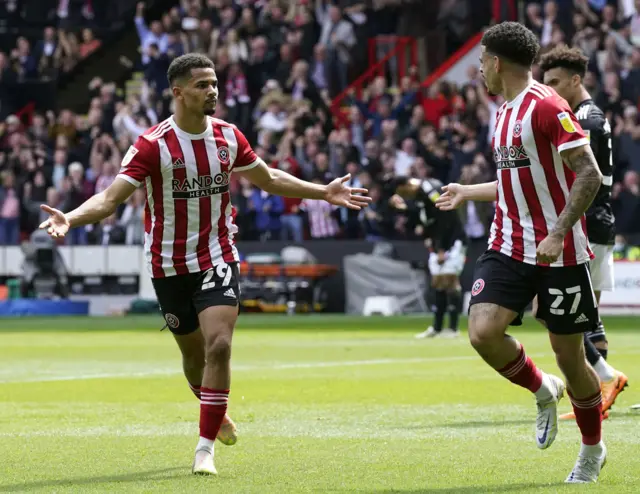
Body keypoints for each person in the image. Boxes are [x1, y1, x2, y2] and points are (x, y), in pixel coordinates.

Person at [38, 53, 371, 476]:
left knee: (220, 345)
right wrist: (70, 216)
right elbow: (109, 199)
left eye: (214, 83)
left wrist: (323, 192)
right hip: (168, 264)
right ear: (178, 92)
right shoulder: (152, 145)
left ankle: (203, 449)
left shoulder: (229, 136)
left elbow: (268, 178)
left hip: (218, 254)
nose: (212, 91)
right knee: (194, 357)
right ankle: (215, 409)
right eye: (202, 85)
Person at [436, 22, 606, 483]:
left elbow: (588, 175)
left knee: (571, 357)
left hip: (560, 251)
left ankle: (592, 449)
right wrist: (466, 192)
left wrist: (557, 232)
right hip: (508, 243)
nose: (479, 72)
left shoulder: (547, 107)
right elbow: (516, 185)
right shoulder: (503, 112)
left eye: (480, 63)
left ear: (495, 61)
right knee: (482, 332)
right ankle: (541, 387)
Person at [539, 45, 628, 420]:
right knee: (588, 317)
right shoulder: (591, 115)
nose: (553, 92)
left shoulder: (584, 121)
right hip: (598, 222)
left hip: (587, 224)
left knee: (552, 311)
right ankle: (598, 392)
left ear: (577, 79)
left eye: (557, 83)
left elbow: (578, 177)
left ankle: (604, 378)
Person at [385, 176, 466, 338]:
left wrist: (443, 247)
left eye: (403, 193)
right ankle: (437, 328)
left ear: (406, 185)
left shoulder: (430, 188)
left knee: (449, 281)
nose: (405, 197)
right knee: (437, 284)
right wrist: (402, 209)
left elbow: (446, 215)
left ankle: (453, 328)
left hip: (452, 242)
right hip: (437, 245)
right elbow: (423, 217)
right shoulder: (419, 196)